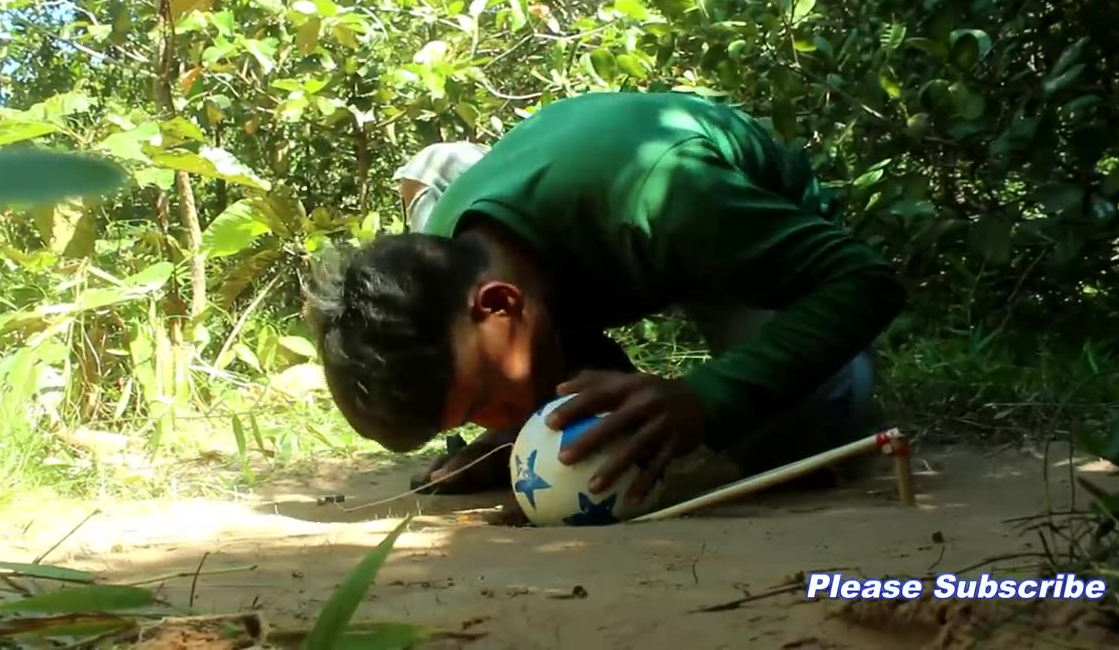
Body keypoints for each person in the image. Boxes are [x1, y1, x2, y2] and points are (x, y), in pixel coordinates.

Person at [306, 91, 905, 504]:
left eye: (483, 401)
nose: (495, 425)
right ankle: (461, 167)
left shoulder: (668, 193)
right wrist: (521, 429)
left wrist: (705, 398)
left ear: (498, 305)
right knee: (439, 191)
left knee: (805, 427)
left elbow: (866, 281)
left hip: (733, 235)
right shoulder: (441, 264)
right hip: (556, 228)